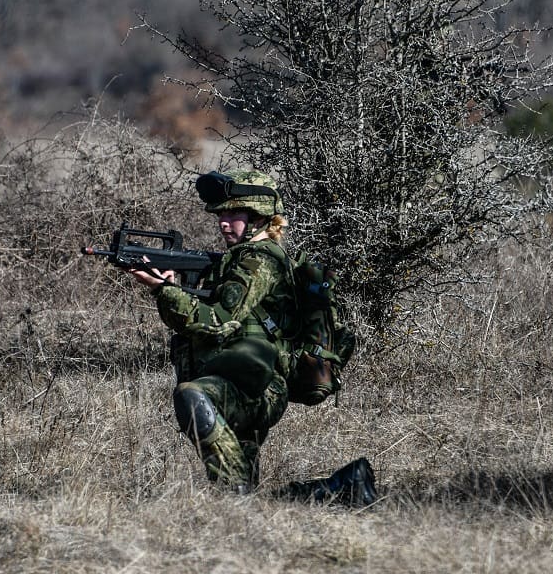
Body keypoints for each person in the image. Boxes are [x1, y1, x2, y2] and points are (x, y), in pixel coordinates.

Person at [127, 170, 375, 504]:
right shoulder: (242, 260)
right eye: (221, 215)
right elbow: (200, 324)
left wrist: (162, 291)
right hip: (242, 377)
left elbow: (217, 322)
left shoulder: (259, 260)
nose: (223, 223)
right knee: (252, 503)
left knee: (192, 397)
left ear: (259, 218)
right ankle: (345, 487)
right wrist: (171, 289)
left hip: (255, 388)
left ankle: (240, 503)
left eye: (233, 214)